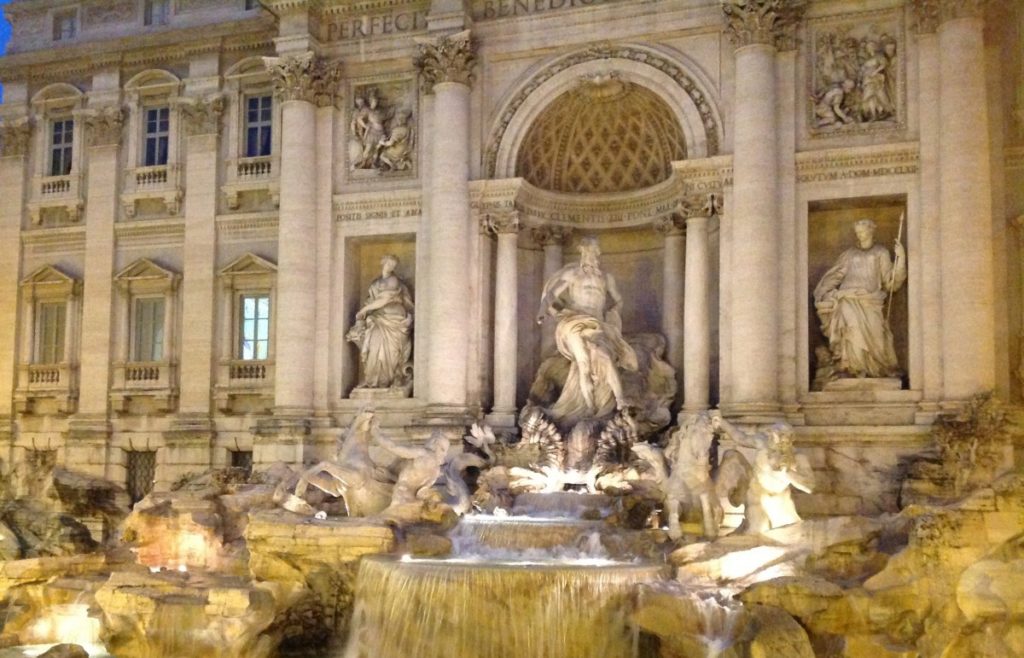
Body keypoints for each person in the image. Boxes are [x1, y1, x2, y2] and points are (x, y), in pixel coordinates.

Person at [536, 237, 638, 423]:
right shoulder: (572, 274)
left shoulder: (606, 278)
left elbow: (618, 300)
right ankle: (590, 409)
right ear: (583, 252)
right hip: (574, 321)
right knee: (583, 363)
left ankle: (620, 400)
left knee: (604, 357)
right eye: (591, 251)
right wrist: (547, 311)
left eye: (596, 251)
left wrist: (614, 313)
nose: (594, 255)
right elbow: (551, 295)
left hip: (597, 323)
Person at [813, 219, 905, 382]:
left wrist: (901, 259)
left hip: (871, 300)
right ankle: (851, 367)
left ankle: (879, 368)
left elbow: (891, 283)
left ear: (871, 231)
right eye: (858, 232)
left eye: (863, 231)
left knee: (877, 335)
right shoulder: (849, 254)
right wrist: (822, 291)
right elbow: (836, 275)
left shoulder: (881, 252)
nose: (860, 235)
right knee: (851, 331)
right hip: (847, 298)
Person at [346, 254, 414, 389]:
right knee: (374, 345)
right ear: (383, 263)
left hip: (395, 319)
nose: (391, 267)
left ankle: (391, 379)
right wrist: (365, 313)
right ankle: (373, 381)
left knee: (392, 351)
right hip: (378, 319)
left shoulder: (393, 281)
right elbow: (372, 300)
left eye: (393, 266)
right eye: (389, 264)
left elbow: (384, 300)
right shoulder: (375, 283)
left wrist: (365, 309)